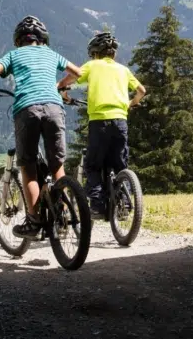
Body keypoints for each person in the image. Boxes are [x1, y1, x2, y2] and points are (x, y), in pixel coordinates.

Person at [0, 15, 82, 238]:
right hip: (54, 108)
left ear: (19, 40)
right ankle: (62, 218)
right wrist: (61, 86)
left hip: (28, 109)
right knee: (57, 165)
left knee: (28, 168)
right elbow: (78, 73)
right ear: (42, 39)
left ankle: (33, 222)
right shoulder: (52, 54)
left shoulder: (14, 55)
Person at [57, 31, 145, 217]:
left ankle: (97, 204)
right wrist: (130, 104)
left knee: (93, 164)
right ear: (113, 53)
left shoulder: (92, 65)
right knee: (120, 163)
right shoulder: (124, 70)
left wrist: (64, 94)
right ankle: (123, 202)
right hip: (121, 121)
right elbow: (141, 91)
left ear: (95, 53)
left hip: (99, 121)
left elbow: (67, 81)